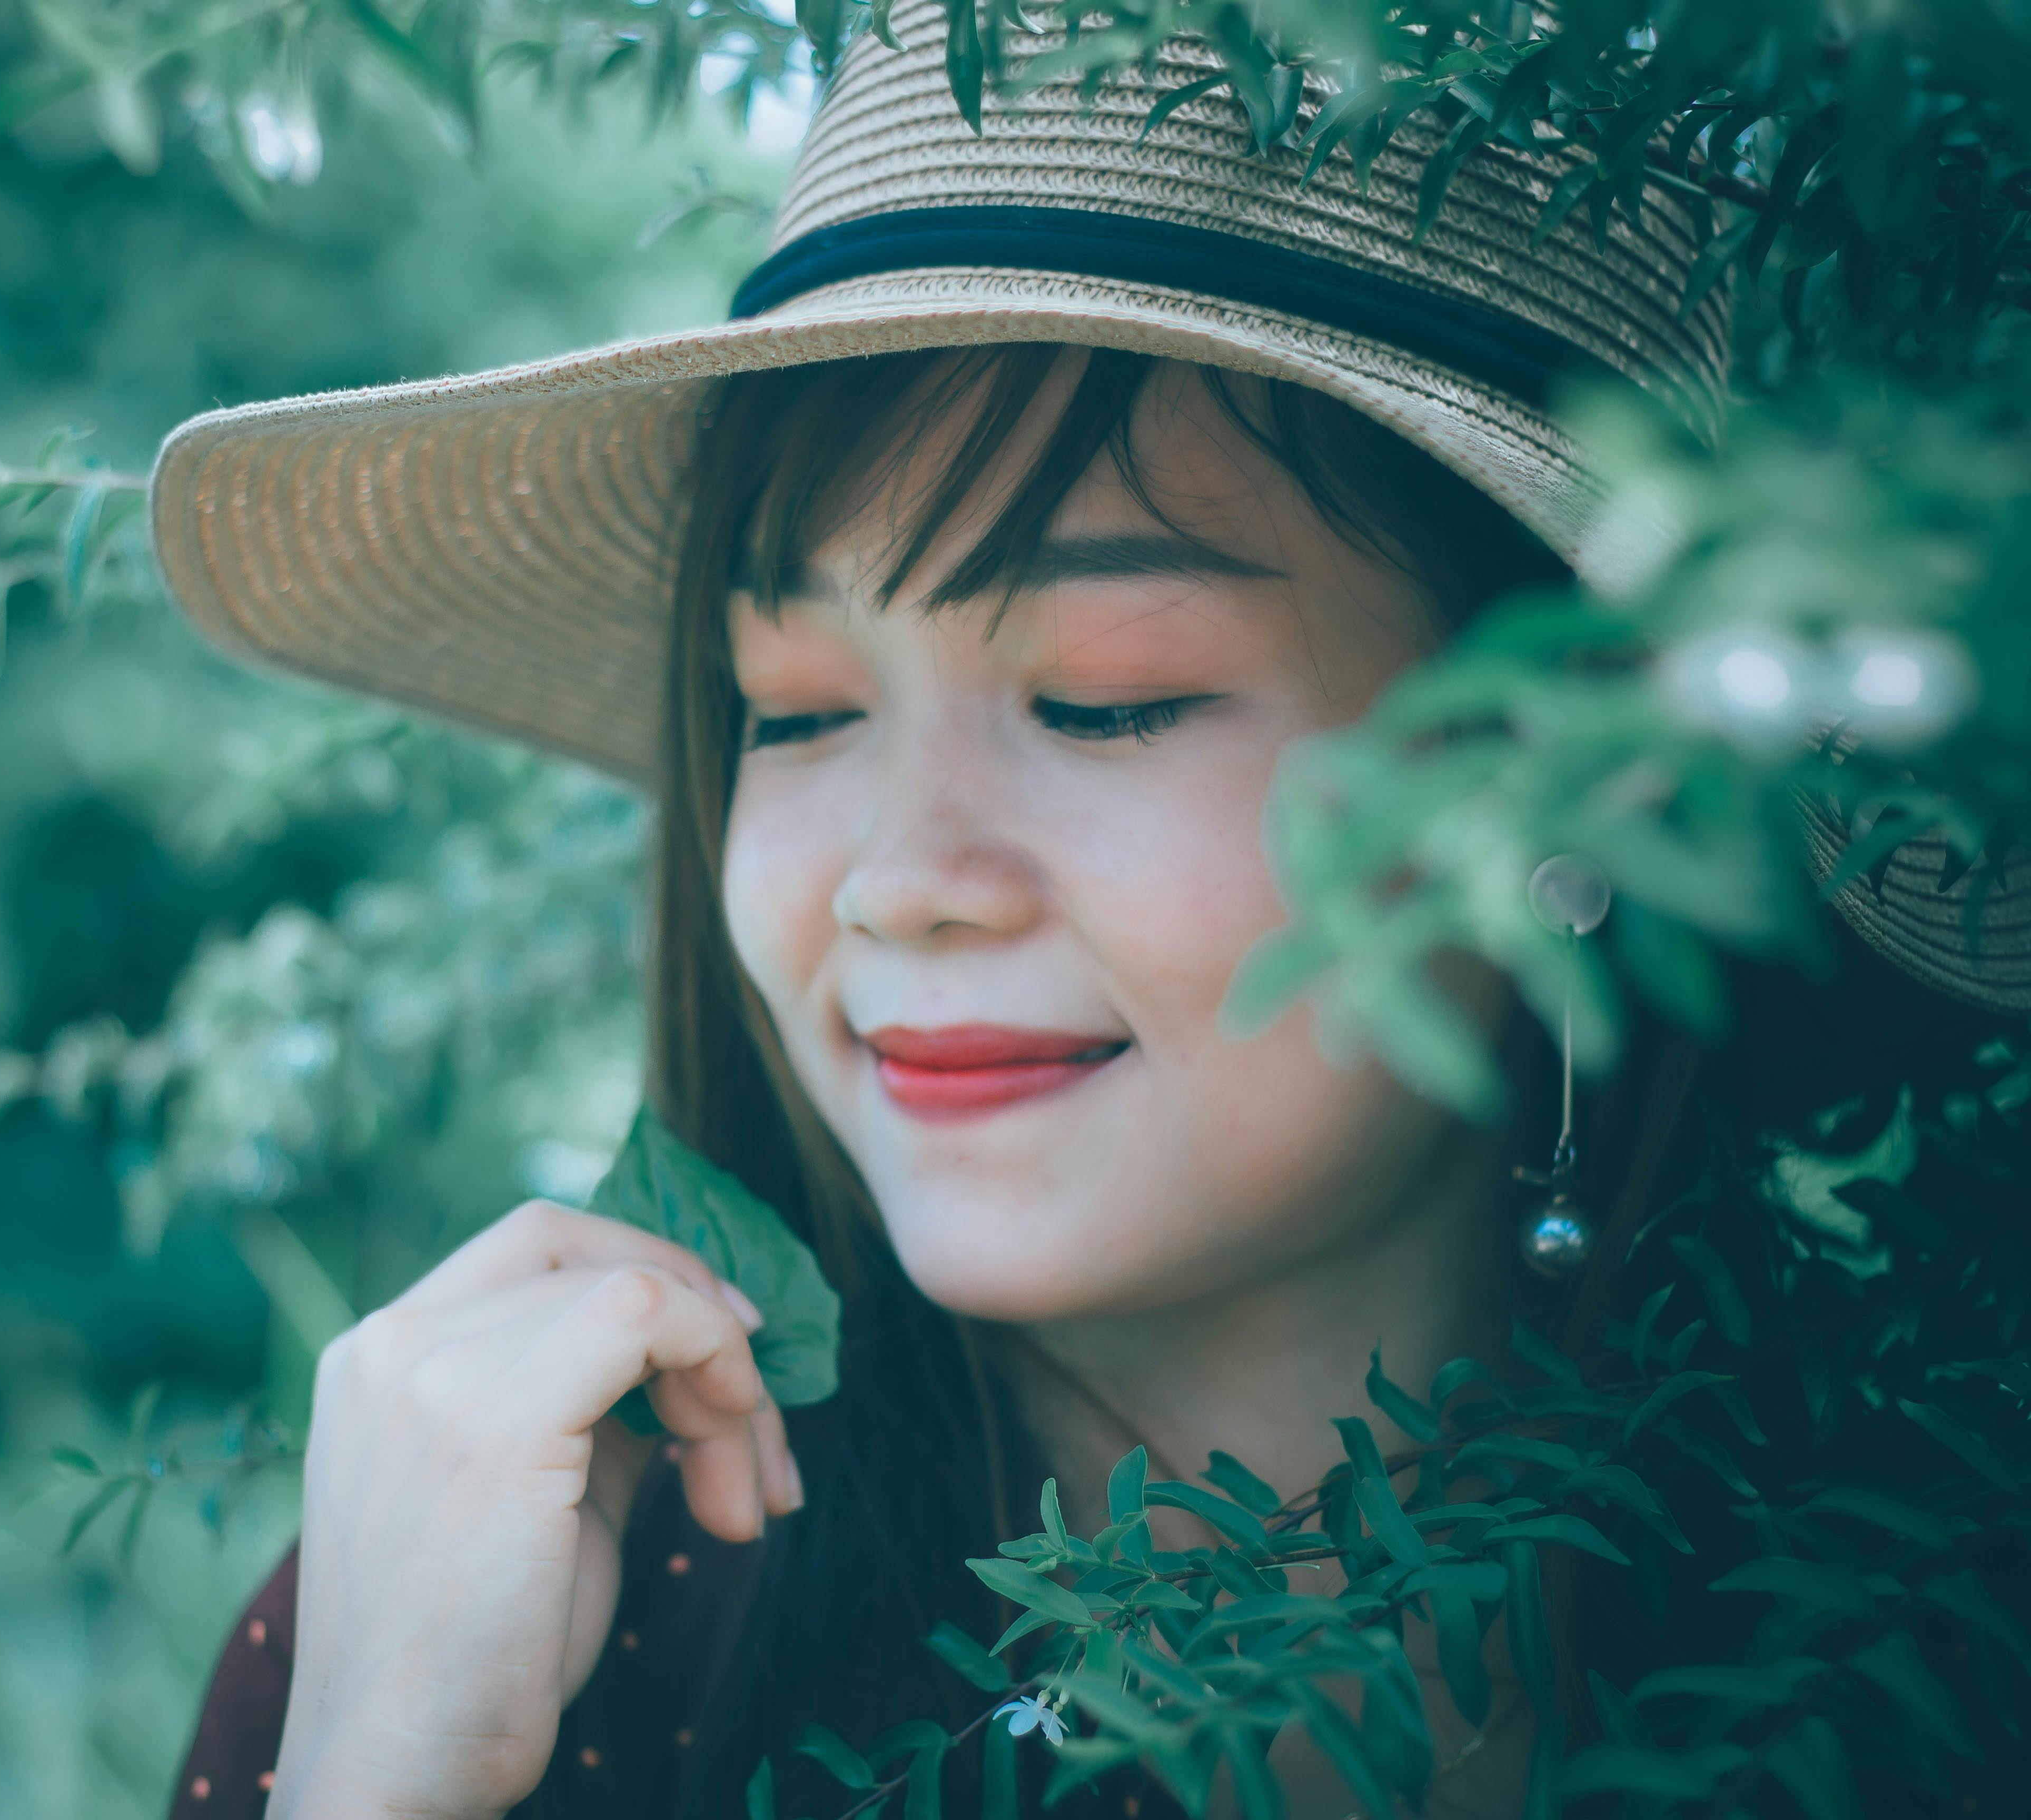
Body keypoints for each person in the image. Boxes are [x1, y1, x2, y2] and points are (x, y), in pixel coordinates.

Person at [143, 8, 2027, 1818]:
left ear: (1577, 774)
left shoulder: (1945, 1598)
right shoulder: (509, 1647)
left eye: (1109, 695)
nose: (899, 877)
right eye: (791, 713)